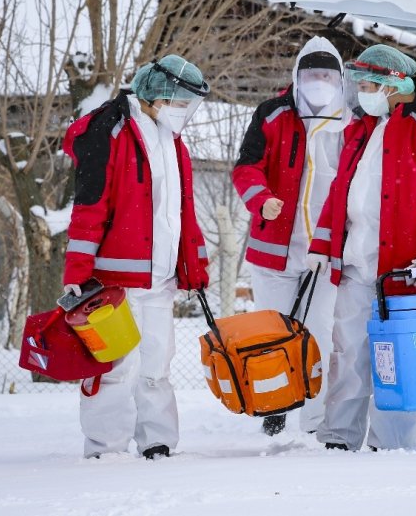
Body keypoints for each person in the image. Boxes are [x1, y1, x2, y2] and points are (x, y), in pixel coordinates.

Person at [307, 44, 416, 451]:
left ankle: (391, 444)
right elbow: (341, 193)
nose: (362, 92)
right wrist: (322, 244)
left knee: (396, 362)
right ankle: (338, 439)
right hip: (357, 264)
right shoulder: (363, 127)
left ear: (393, 82)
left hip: (405, 271)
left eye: (367, 84)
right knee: (347, 355)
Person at [62, 54, 210, 459]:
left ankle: (157, 441)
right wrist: (77, 270)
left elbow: (180, 211)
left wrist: (192, 264)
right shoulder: (108, 131)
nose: (183, 112)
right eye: (180, 102)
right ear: (157, 94)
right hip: (113, 282)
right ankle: (106, 448)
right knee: (114, 368)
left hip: (159, 278)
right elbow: (89, 208)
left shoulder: (170, 137)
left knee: (157, 364)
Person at [233, 36, 345, 436]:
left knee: (319, 339)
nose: (320, 81)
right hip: (274, 251)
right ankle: (275, 404)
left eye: (326, 74)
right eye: (312, 74)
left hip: (325, 254)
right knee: (274, 336)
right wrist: (261, 200)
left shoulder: (350, 120)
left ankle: (315, 421)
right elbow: (246, 168)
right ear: (298, 76)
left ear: (339, 77)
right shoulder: (272, 114)